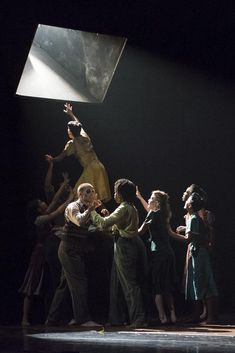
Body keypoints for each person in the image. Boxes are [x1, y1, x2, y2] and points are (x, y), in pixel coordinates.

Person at [90, 178, 148, 328]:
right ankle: (117, 318)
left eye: (116, 192)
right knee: (116, 284)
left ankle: (138, 318)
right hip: (123, 245)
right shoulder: (130, 207)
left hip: (125, 247)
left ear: (121, 194)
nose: (114, 194)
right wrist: (104, 213)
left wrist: (91, 211)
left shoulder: (124, 208)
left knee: (129, 284)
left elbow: (104, 225)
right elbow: (114, 226)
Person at [46, 183, 103, 327]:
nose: (92, 194)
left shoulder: (86, 208)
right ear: (81, 194)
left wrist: (101, 216)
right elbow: (79, 221)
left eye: (93, 191)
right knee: (80, 283)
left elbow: (89, 227)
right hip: (68, 250)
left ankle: (52, 319)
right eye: (89, 191)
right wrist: (91, 209)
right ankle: (82, 319)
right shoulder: (73, 207)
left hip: (75, 250)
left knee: (64, 285)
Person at [18, 179, 73, 326]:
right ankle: (24, 319)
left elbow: (54, 201)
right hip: (39, 253)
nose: (44, 202)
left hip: (47, 252)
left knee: (47, 285)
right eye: (41, 202)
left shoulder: (44, 213)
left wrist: (63, 186)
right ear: (37, 208)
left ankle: (52, 316)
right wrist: (70, 198)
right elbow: (58, 211)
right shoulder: (40, 219)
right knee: (31, 286)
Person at [45, 102, 111, 203]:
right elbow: (77, 122)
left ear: (70, 131)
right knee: (94, 196)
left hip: (91, 170)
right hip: (99, 167)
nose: (67, 130)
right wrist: (71, 113)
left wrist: (51, 159)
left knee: (77, 194)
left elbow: (60, 158)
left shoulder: (72, 143)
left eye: (68, 129)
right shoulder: (84, 136)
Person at [175, 192, 218, 323]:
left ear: (191, 204)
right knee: (196, 283)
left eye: (187, 200)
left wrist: (170, 233)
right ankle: (196, 314)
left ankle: (210, 316)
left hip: (199, 253)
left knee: (204, 282)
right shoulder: (192, 218)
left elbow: (189, 239)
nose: (185, 201)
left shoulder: (194, 218)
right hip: (197, 252)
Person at [137, 189, 178, 324]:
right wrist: (140, 197)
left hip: (158, 254)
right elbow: (148, 208)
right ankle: (173, 315)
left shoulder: (152, 214)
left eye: (151, 198)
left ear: (157, 202)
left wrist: (125, 229)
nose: (149, 200)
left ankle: (162, 317)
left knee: (157, 287)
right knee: (167, 285)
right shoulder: (164, 214)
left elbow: (140, 231)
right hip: (168, 253)